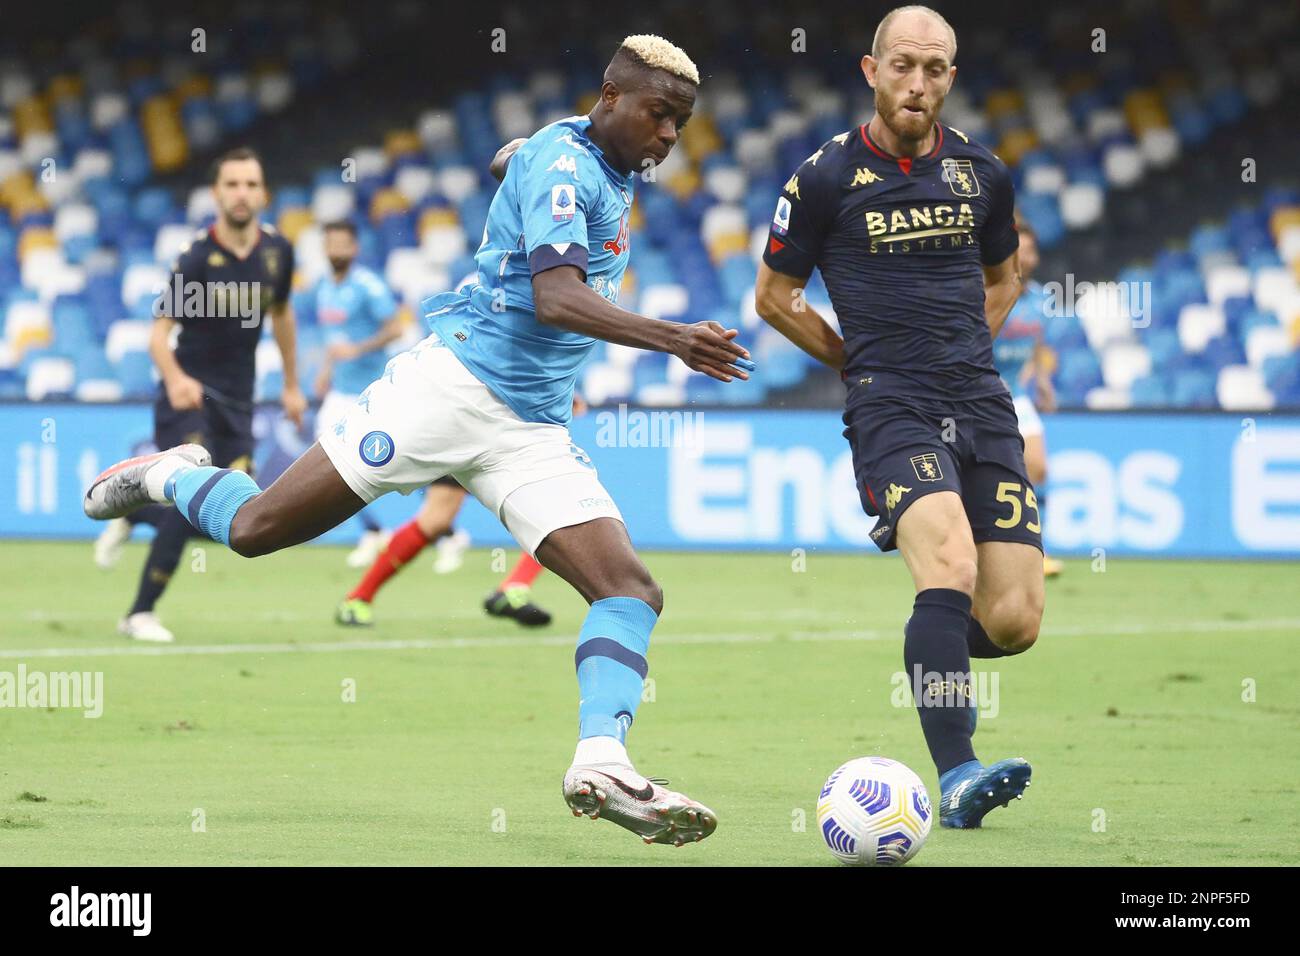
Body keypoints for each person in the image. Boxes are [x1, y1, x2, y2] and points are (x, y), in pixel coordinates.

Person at [85, 35, 751, 847]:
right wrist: (674, 336)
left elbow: (539, 167)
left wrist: (522, 160)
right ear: (610, 96)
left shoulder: (591, 162)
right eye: (658, 114)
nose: (670, 137)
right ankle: (167, 475)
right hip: (449, 393)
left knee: (630, 590)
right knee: (256, 530)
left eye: (680, 122)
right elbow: (555, 297)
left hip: (530, 429)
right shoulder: (570, 166)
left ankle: (602, 761)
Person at [754, 5, 1043, 829]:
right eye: (904, 65)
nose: (919, 83)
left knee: (1014, 620)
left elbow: (1004, 279)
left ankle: (934, 641)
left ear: (951, 78)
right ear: (872, 72)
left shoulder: (984, 174)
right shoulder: (823, 178)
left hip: (980, 401)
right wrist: (859, 363)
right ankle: (958, 775)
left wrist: (965, 356)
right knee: (949, 563)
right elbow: (774, 298)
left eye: (937, 69)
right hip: (890, 403)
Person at [100, 147, 304, 643]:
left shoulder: (278, 252)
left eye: (251, 185)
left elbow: (282, 317)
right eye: (232, 184)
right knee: (190, 491)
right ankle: (139, 614)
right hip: (188, 396)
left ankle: (134, 508)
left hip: (239, 401)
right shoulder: (195, 257)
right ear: (216, 193)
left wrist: (294, 385)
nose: (242, 193)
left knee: (234, 515)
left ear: (264, 194)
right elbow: (157, 335)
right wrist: (174, 378)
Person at [306, 219, 405, 568]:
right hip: (341, 389)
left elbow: (395, 328)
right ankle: (374, 530)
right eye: (329, 243)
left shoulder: (368, 285)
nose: (335, 250)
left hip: (373, 386)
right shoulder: (324, 287)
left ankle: (443, 529)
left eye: (341, 244)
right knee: (327, 453)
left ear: (354, 248)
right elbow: (334, 341)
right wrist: (325, 372)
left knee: (392, 462)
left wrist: (359, 349)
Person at [992, 218, 1063, 577]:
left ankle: (1036, 551)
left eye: (1033, 250)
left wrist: (1043, 381)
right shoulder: (986, 293)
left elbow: (1037, 344)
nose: (1029, 256)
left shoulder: (1040, 299)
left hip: (1016, 394)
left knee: (1038, 467)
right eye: (1022, 248)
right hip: (983, 396)